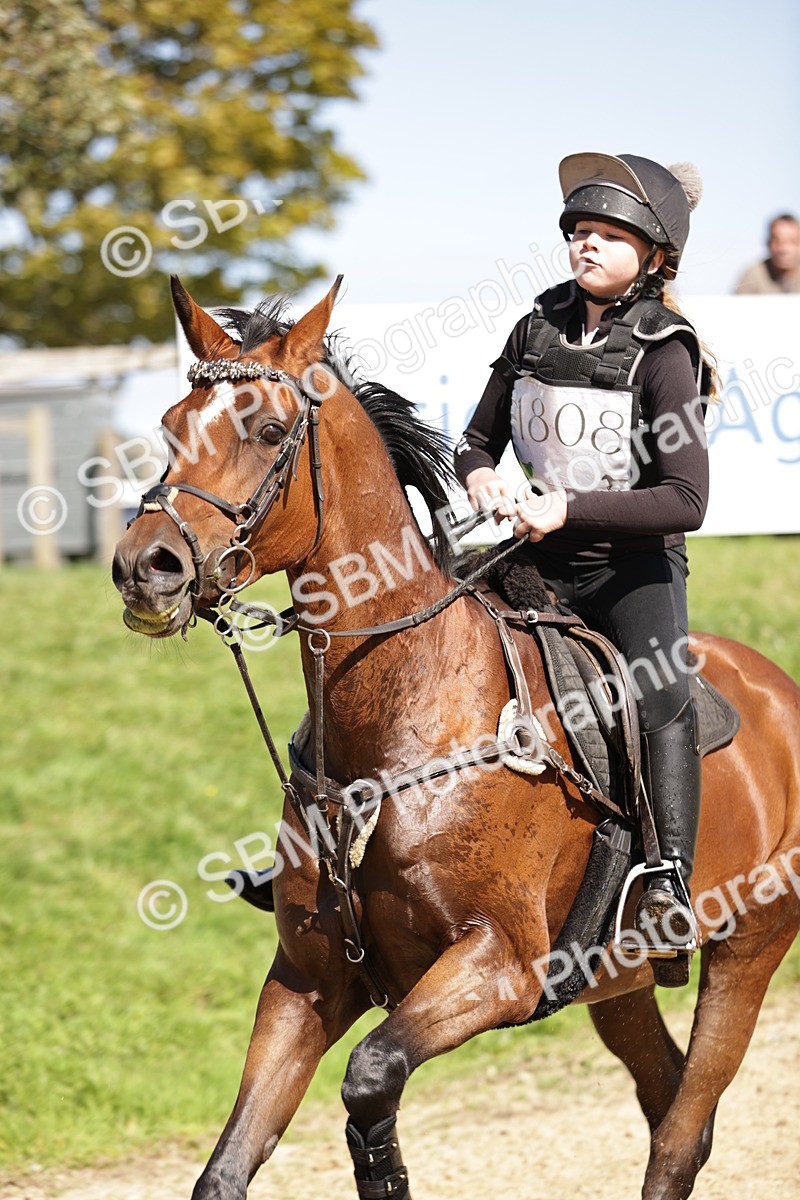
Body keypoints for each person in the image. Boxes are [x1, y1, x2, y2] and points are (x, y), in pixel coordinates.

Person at [454, 153, 715, 965]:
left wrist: (568, 506)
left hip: (630, 567)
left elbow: (687, 501)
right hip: (533, 554)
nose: (586, 245)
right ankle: (326, 834)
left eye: (608, 235)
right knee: (406, 630)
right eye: (579, 232)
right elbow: (475, 440)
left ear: (655, 256)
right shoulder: (534, 326)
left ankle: (668, 881)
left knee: (662, 692)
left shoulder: (666, 350)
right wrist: (482, 476)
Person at [734, 213, 800, 294]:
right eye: (777, 241)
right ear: (768, 243)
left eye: (792, 241)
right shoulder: (753, 275)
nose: (783, 249)